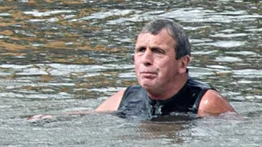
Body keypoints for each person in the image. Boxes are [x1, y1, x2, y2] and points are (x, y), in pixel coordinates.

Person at [95, 18, 235, 118]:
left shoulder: (206, 104)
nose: (146, 60)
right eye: (141, 50)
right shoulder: (126, 98)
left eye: (158, 51)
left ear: (182, 64)